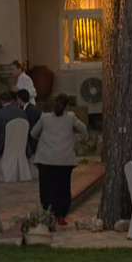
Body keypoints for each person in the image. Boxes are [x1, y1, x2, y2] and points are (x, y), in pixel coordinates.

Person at [32, 94, 86, 222]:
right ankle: (61, 215)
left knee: (47, 189)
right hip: (65, 160)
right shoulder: (71, 117)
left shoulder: (44, 118)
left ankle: (49, 215)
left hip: (46, 159)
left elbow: (34, 133)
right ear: (67, 106)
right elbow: (83, 129)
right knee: (63, 188)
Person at [0, 90, 28, 159]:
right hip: (22, 145)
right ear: (11, 100)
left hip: (4, 147)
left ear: (1, 102)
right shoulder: (22, 112)